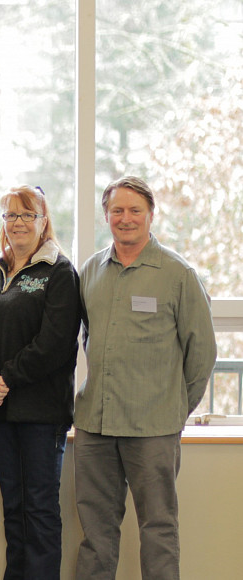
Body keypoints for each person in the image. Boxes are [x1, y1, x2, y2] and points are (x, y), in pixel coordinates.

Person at [75, 176, 217, 580]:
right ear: (106, 216)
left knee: (158, 528)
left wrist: (174, 409)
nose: (126, 218)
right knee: (95, 534)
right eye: (117, 210)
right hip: (95, 425)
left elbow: (202, 352)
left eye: (135, 210)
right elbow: (87, 336)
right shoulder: (90, 271)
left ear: (151, 215)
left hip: (153, 428)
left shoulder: (178, 274)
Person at [0, 186, 80, 580]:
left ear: (44, 221)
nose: (18, 223)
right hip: (1, 412)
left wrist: (5, 377)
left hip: (42, 414)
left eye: (27, 215)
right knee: (13, 508)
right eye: (11, 216)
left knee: (40, 510)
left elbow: (55, 344)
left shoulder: (59, 272)